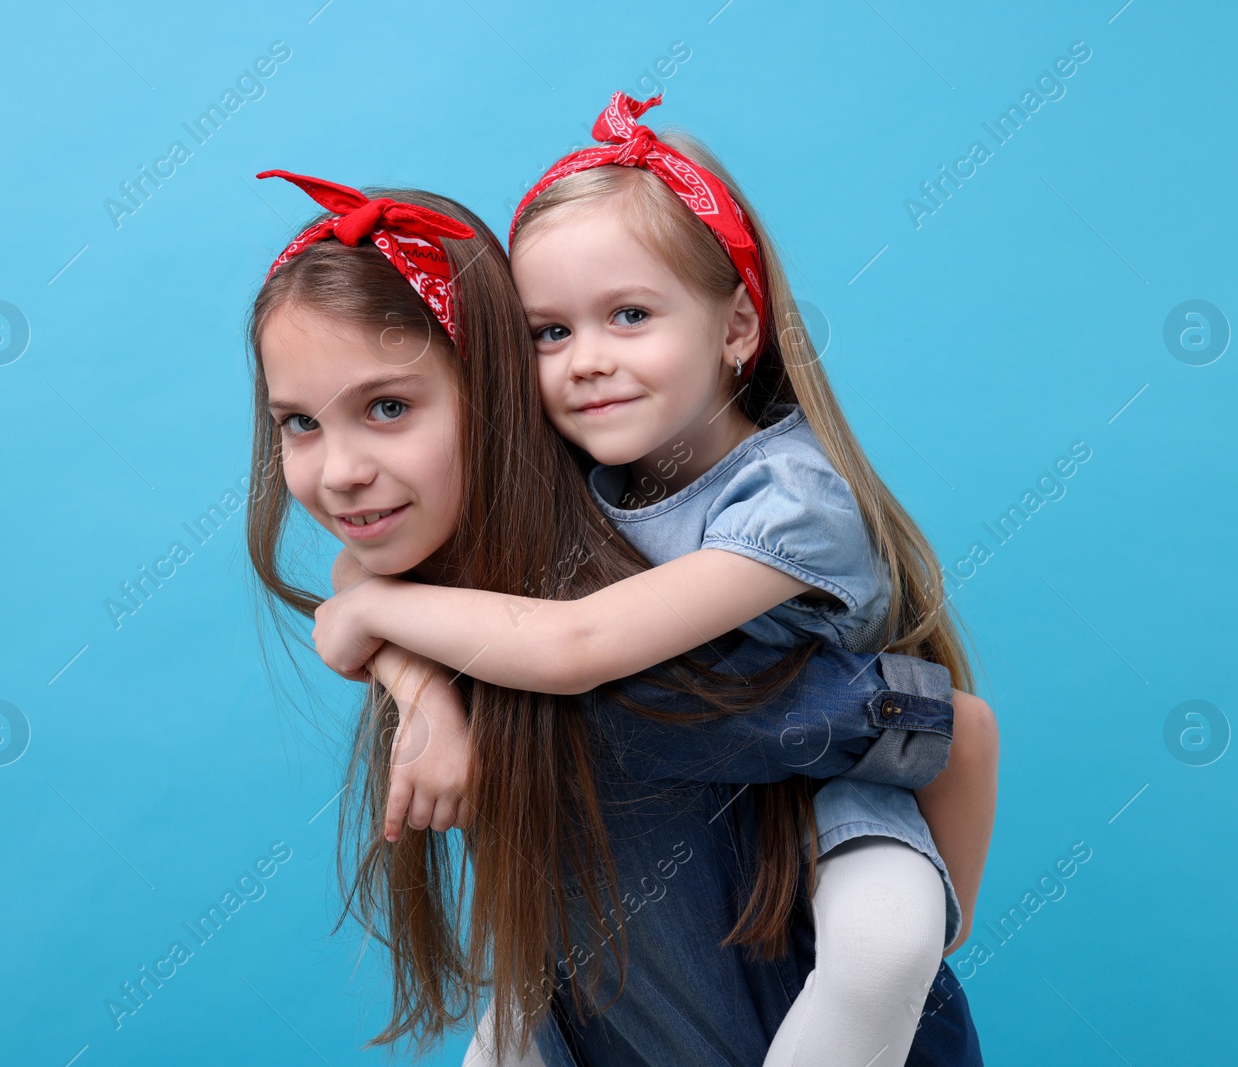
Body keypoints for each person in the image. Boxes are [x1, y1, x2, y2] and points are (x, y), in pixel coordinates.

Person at [309, 92, 998, 1067]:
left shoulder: (790, 495)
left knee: (883, 946)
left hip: (812, 806)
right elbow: (372, 553)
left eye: (628, 315)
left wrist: (377, 612)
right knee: (505, 1034)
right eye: (549, 332)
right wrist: (424, 695)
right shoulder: (576, 482)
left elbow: (577, 646)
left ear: (736, 326)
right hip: (644, 843)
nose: (586, 361)